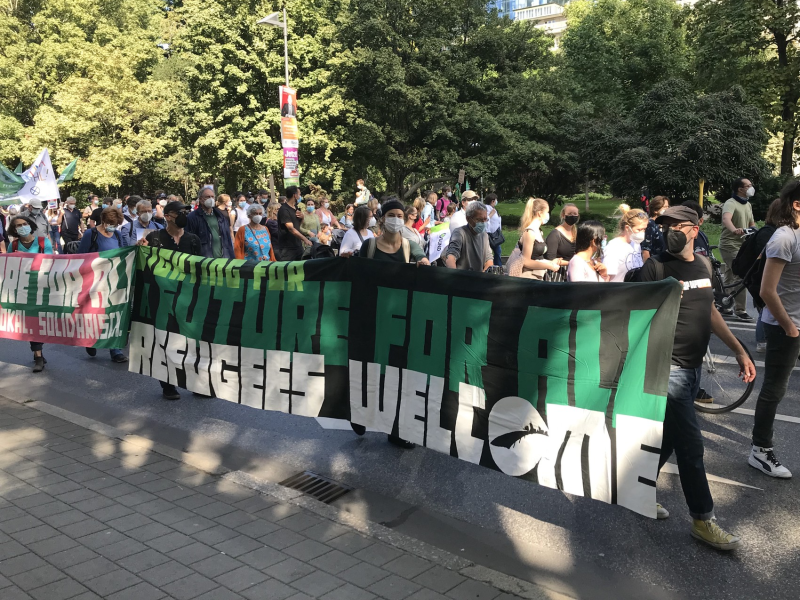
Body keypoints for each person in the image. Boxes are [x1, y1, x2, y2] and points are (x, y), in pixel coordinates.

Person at [639, 205, 754, 550]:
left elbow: (711, 311)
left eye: (678, 225)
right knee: (691, 446)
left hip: (692, 368)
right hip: (667, 368)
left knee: (672, 437)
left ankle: (636, 486)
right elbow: (635, 319)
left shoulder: (703, 265)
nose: (671, 231)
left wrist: (738, 349)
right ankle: (703, 520)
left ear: (696, 227)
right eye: (665, 226)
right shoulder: (655, 267)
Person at [749, 181, 800, 478]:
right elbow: (768, 291)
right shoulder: (784, 238)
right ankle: (760, 450)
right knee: (775, 389)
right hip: (784, 326)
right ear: (796, 204)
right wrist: (790, 329)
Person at [137, 201, 202, 400]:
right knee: (167, 342)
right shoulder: (154, 238)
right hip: (162, 300)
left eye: (185, 212)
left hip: (188, 298)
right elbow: (143, 265)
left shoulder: (192, 239)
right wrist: (139, 249)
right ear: (167, 216)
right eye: (179, 212)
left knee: (191, 342)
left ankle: (195, 382)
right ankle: (168, 384)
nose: (184, 215)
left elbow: (201, 268)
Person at [7, 216, 52, 372]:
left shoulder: (43, 242)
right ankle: (38, 356)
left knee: (41, 322)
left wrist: (26, 259)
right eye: (18, 225)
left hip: (42, 287)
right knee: (32, 323)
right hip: (23, 290)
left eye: (24, 224)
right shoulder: (13, 245)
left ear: (30, 225)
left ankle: (38, 352)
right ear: (14, 229)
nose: (22, 227)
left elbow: (51, 262)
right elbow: (8, 267)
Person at [719, 178, 757, 321]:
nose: (751, 187)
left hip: (742, 246)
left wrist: (757, 232)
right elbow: (726, 219)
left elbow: (752, 224)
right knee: (741, 274)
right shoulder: (731, 203)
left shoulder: (747, 205)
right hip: (729, 245)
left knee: (729, 275)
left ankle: (724, 303)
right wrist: (735, 230)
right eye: (748, 185)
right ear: (740, 189)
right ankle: (740, 309)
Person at [186, 186, 234, 259]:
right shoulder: (193, 217)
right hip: (205, 261)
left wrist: (231, 257)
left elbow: (227, 239)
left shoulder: (220, 216)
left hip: (223, 259)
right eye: (208, 197)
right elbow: (189, 242)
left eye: (212, 197)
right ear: (201, 199)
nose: (211, 199)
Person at [517, 198, 560, 279]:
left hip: (537, 276)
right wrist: (549, 265)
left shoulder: (539, 231)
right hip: (528, 278)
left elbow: (537, 257)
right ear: (540, 213)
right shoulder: (530, 232)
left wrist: (550, 263)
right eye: (547, 212)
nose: (548, 215)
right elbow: (526, 261)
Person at [444, 201, 493, 272]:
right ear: (468, 219)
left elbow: (489, 260)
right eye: (479, 220)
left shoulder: (484, 235)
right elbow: (451, 257)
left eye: (485, 219)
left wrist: (482, 276)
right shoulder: (460, 233)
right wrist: (454, 276)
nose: (483, 223)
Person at [603, 205, 647, 282]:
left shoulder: (635, 244)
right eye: (639, 229)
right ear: (627, 228)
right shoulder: (614, 247)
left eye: (644, 229)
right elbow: (607, 277)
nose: (642, 233)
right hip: (618, 291)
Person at [278, 185, 312, 261]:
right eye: (299, 194)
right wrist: (305, 239)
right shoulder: (284, 210)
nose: (300, 196)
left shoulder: (296, 208)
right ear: (295, 195)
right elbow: (291, 229)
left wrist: (302, 218)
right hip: (287, 248)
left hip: (298, 245)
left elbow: (298, 226)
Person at [545, 203, 579, 271]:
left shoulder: (577, 233)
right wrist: (570, 263)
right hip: (558, 272)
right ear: (563, 215)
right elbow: (550, 259)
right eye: (569, 214)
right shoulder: (555, 235)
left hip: (574, 270)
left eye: (575, 214)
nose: (572, 216)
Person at [641, 195, 669, 262]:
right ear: (655, 210)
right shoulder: (650, 224)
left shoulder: (665, 224)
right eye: (665, 207)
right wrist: (647, 269)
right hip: (654, 265)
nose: (667, 209)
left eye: (668, 206)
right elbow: (645, 250)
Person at [485, 193, 503, 266]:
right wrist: (491, 214)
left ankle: (497, 266)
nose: (496, 201)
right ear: (492, 201)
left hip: (495, 234)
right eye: (496, 200)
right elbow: (485, 219)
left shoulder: (493, 209)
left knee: (497, 251)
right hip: (490, 234)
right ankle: (497, 266)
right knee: (496, 251)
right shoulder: (487, 208)